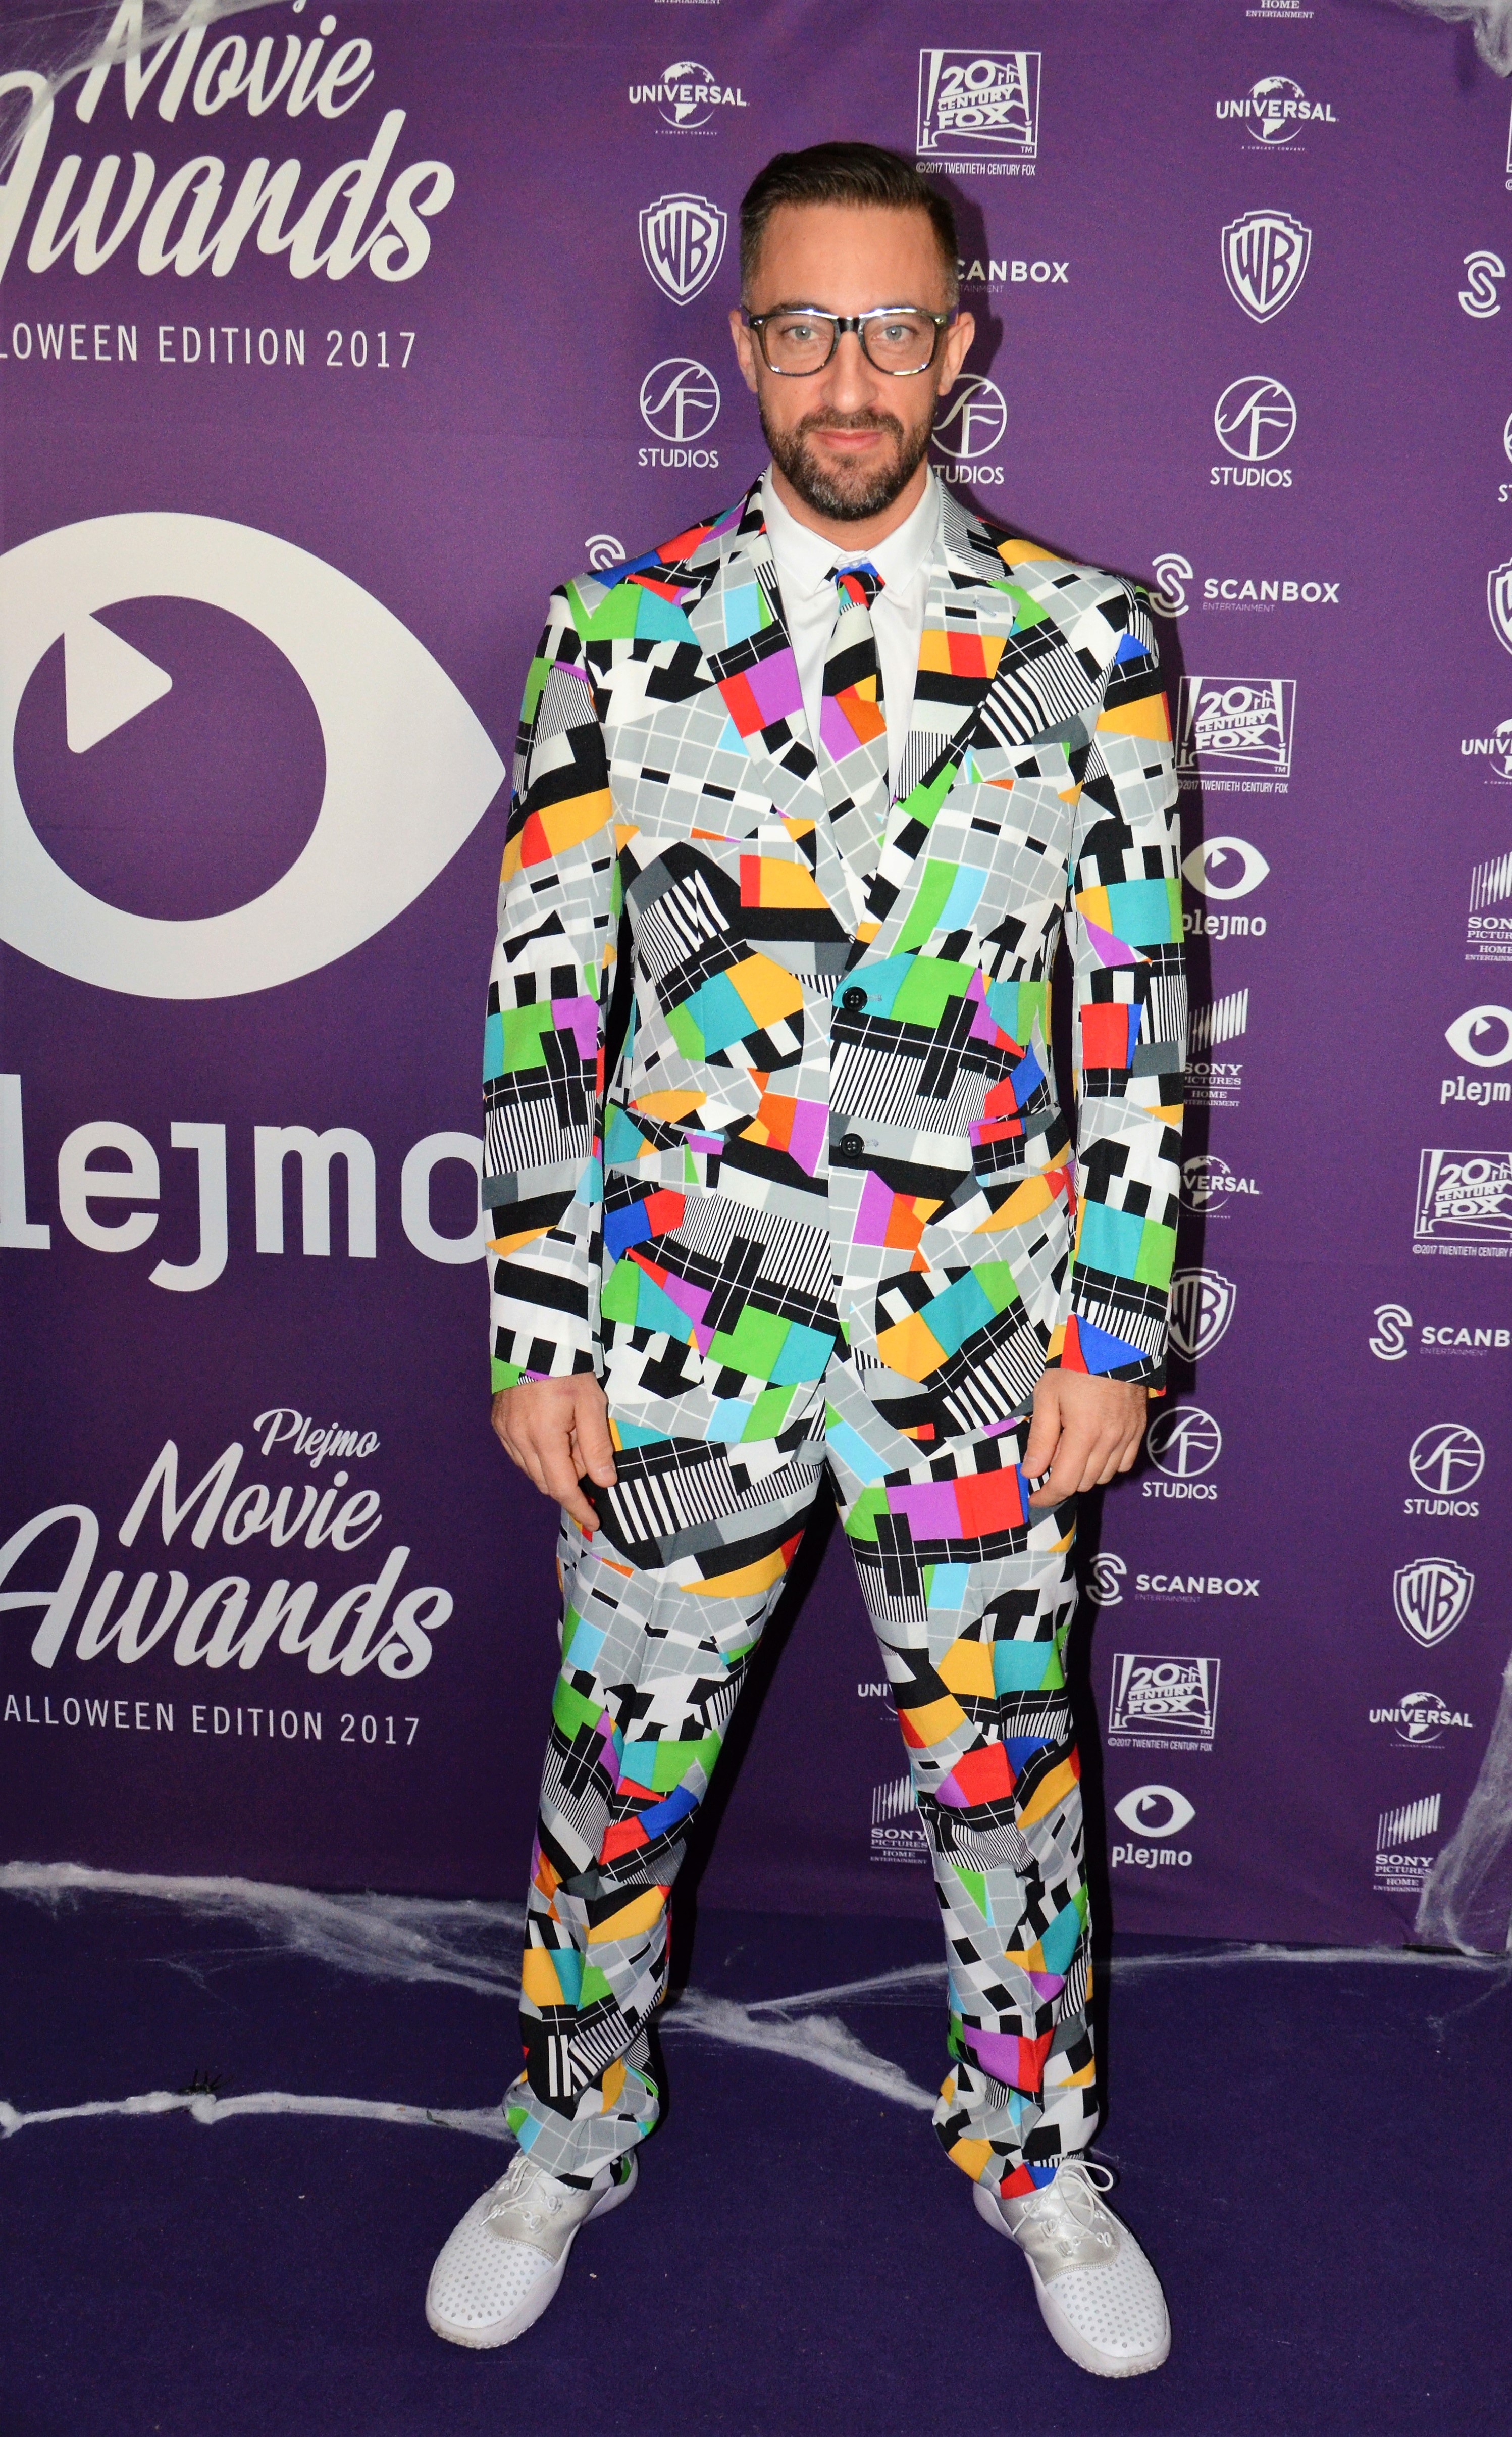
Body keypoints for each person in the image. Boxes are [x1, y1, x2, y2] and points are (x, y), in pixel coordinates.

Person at [428, 140, 1185, 2380]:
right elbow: (549, 1001)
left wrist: (1115, 1323)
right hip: (682, 1332)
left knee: (1005, 1784)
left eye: (889, 326)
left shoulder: (1087, 641)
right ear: (741, 340)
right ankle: (565, 2132)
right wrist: (538, 1322)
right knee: (617, 1773)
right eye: (801, 326)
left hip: (980, 1339)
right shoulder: (616, 629)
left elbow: (1135, 1013)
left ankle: (1036, 2154)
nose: (846, 374)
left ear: (959, 344)